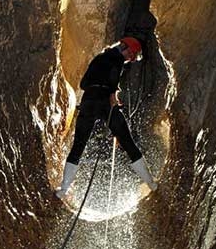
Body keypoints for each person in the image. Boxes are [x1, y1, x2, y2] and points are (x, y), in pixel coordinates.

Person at [58, 36, 157, 199]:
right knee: (127, 142)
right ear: (124, 48)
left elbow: (83, 84)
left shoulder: (99, 58)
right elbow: (112, 77)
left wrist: (98, 87)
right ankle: (151, 184)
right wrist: (112, 94)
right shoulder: (116, 59)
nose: (128, 59)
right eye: (129, 55)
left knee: (78, 145)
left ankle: (63, 190)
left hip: (88, 101)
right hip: (104, 102)